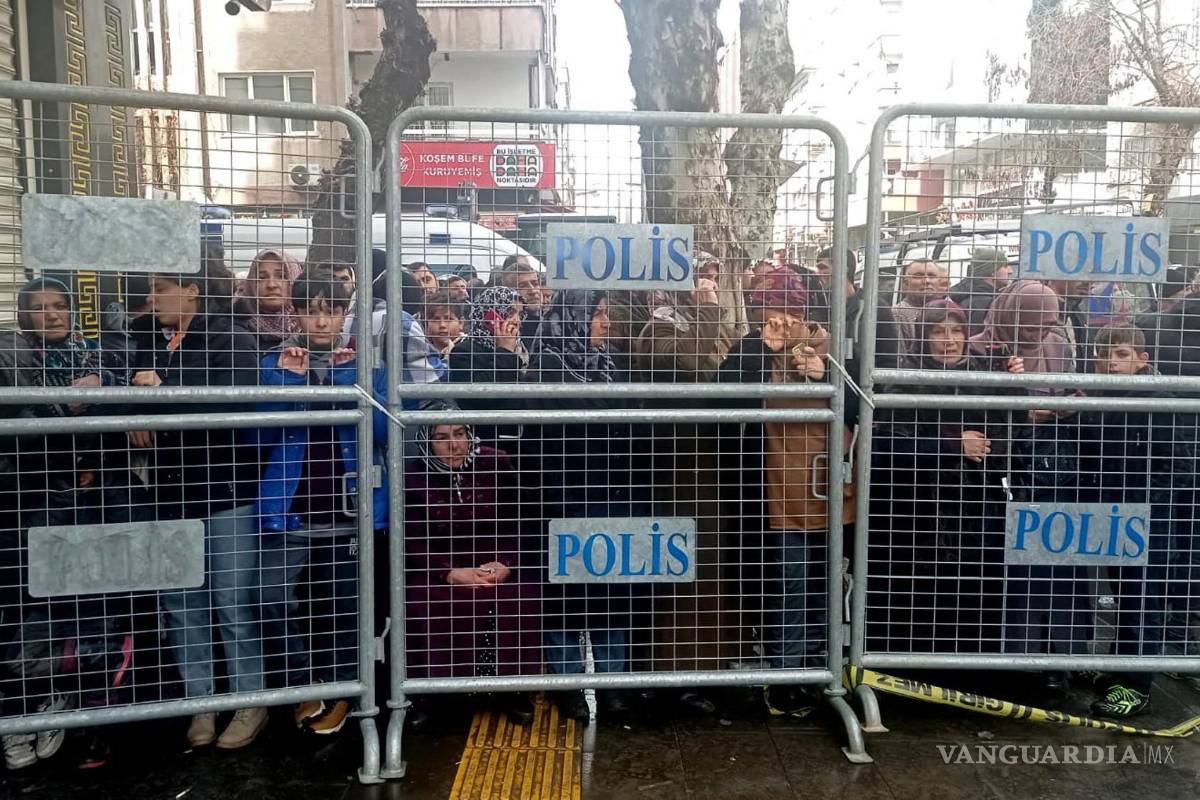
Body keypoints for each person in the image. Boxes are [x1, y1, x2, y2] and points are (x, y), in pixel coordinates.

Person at [0, 277, 143, 769]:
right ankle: (32, 706)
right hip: (38, 498)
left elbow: (125, 402)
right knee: (39, 601)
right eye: (40, 308)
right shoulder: (13, 357)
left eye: (60, 306)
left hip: (101, 495)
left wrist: (103, 394)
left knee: (99, 602)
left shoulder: (97, 355)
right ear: (24, 316)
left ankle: (91, 715)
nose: (53, 315)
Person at [128, 256, 267, 748]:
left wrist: (161, 395)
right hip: (170, 493)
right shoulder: (148, 339)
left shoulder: (230, 337)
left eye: (159, 287)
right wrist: (135, 406)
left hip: (226, 492)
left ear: (191, 290)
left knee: (232, 600)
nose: (152, 299)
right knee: (182, 603)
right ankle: (200, 703)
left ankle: (249, 699)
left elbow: (236, 403)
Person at [256, 271, 390, 736]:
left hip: (349, 508)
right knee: (270, 596)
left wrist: (348, 378)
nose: (320, 320)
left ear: (342, 315)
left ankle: (338, 691)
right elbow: (260, 437)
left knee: (344, 607)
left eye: (330, 310)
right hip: (289, 509)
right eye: (311, 309)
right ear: (297, 313)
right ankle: (301, 685)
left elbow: (384, 433)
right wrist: (288, 384)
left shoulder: (365, 363)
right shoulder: (275, 361)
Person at [718, 269, 853, 717]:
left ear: (806, 313)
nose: (781, 322)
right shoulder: (754, 351)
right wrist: (761, 351)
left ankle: (820, 672)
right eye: (771, 312)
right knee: (790, 587)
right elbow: (722, 399)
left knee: (826, 587)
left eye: (790, 312)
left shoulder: (836, 350)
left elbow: (863, 408)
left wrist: (827, 372)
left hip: (832, 490)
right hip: (777, 493)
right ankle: (786, 677)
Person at [529, 289, 642, 720]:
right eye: (596, 314)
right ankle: (568, 684)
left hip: (613, 496)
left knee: (611, 591)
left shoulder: (616, 365)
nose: (606, 323)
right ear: (573, 318)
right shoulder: (548, 366)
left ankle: (612, 684)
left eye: (608, 313)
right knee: (565, 596)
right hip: (562, 496)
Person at [966, 280, 1087, 684]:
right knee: (1014, 565)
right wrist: (1019, 410)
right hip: (1003, 467)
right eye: (1035, 323)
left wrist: (1058, 407)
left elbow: (1076, 389)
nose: (1041, 332)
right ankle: (1016, 656)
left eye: (1049, 323)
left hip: (1053, 465)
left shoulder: (1057, 344)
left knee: (1057, 559)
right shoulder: (980, 347)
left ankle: (1061, 656)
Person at [1078, 323, 1195, 718]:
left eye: (1122, 354)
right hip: (1118, 516)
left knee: (1142, 600)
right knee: (1127, 596)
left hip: (1148, 519)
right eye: (1104, 355)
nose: (1110, 362)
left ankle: (1136, 687)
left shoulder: (1157, 400)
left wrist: (1143, 506)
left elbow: (1176, 465)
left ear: (1143, 360)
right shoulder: (1104, 395)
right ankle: (1121, 672)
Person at [868, 299, 996, 653]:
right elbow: (887, 445)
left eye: (957, 331)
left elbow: (1006, 431)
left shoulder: (986, 376)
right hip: (913, 513)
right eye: (939, 331)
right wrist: (953, 444)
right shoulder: (903, 379)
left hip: (973, 510)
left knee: (968, 592)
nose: (949, 340)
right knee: (912, 595)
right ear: (923, 337)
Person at [403, 412, 540, 723]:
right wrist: (448, 572)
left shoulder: (495, 462)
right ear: (426, 443)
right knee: (423, 599)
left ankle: (515, 690)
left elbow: (520, 520)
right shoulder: (412, 476)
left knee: (519, 599)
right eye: (441, 438)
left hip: (495, 560)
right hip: (441, 565)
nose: (454, 445)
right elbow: (410, 537)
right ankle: (434, 692)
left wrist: (505, 563)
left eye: (461, 433)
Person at [446, 286, 528, 449]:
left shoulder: (520, 349)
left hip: (521, 443)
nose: (517, 320)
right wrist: (504, 352)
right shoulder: (464, 351)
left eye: (519, 314)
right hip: (487, 444)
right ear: (490, 315)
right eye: (510, 312)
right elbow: (482, 394)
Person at [233, 248, 301, 352]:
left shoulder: (311, 329)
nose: (271, 285)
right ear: (252, 283)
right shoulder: (236, 329)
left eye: (281, 276)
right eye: (262, 277)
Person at [892, 258, 949, 357]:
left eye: (932, 276)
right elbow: (899, 359)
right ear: (905, 284)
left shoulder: (948, 311)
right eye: (918, 276)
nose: (927, 281)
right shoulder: (899, 313)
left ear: (939, 283)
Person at [949, 247, 1013, 334]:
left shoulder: (975, 295)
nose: (1010, 271)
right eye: (1005, 266)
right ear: (992, 271)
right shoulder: (982, 302)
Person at [491, 255, 544, 344]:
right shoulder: (505, 331)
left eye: (535, 284)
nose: (533, 291)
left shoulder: (554, 321)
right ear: (508, 291)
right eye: (522, 286)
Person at [419, 289, 467, 360]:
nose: (442, 325)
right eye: (436, 319)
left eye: (449, 319)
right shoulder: (419, 351)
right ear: (426, 324)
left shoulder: (468, 349)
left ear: (461, 323)